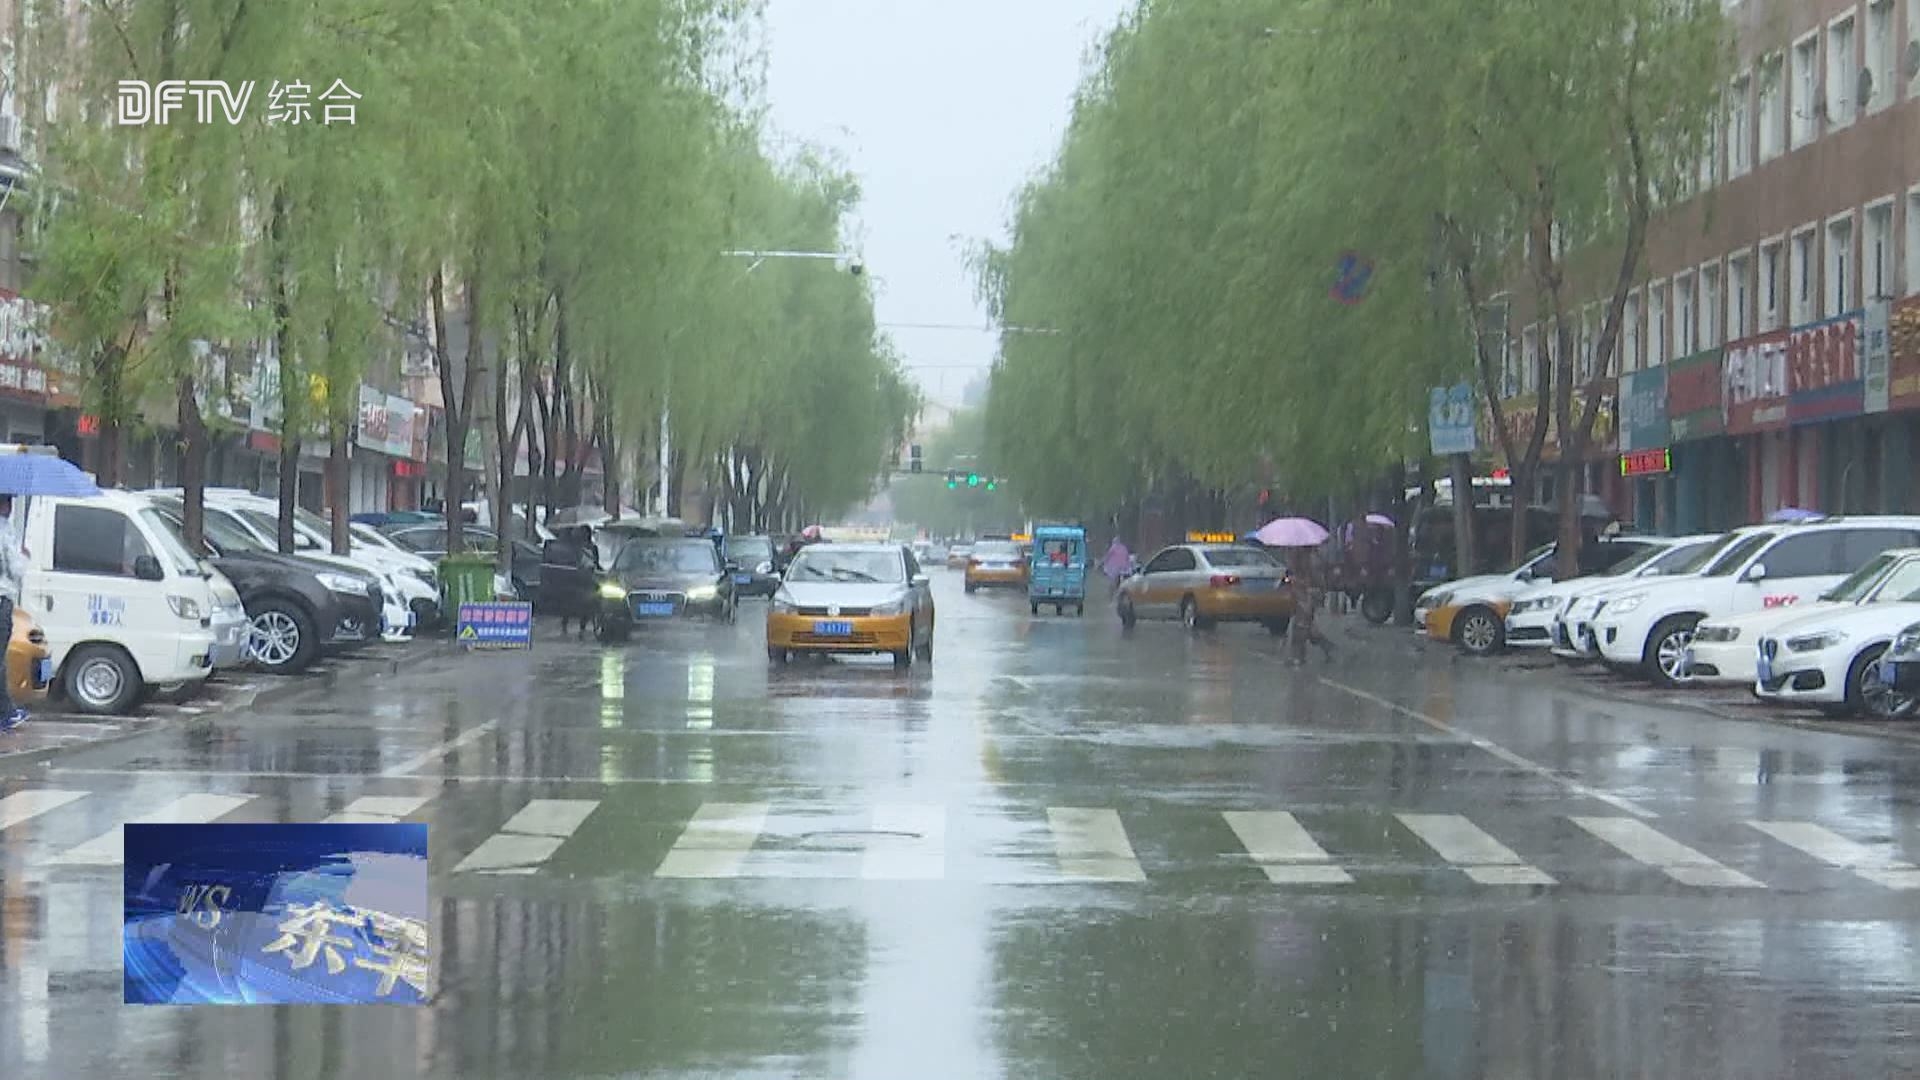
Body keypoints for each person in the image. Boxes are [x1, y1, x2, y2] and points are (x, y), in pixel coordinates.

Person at [0, 495, 27, 731]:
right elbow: (15, 568)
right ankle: (5, 712)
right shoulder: (5, 531)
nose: (10, 507)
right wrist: (23, 556)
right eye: (8, 501)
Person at [1286, 548, 1336, 666]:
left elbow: (1311, 581)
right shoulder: (1308, 557)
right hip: (1304, 596)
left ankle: (1298, 657)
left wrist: (1296, 580)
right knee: (1305, 627)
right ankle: (1327, 648)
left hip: (1307, 596)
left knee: (1301, 627)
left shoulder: (1309, 560)